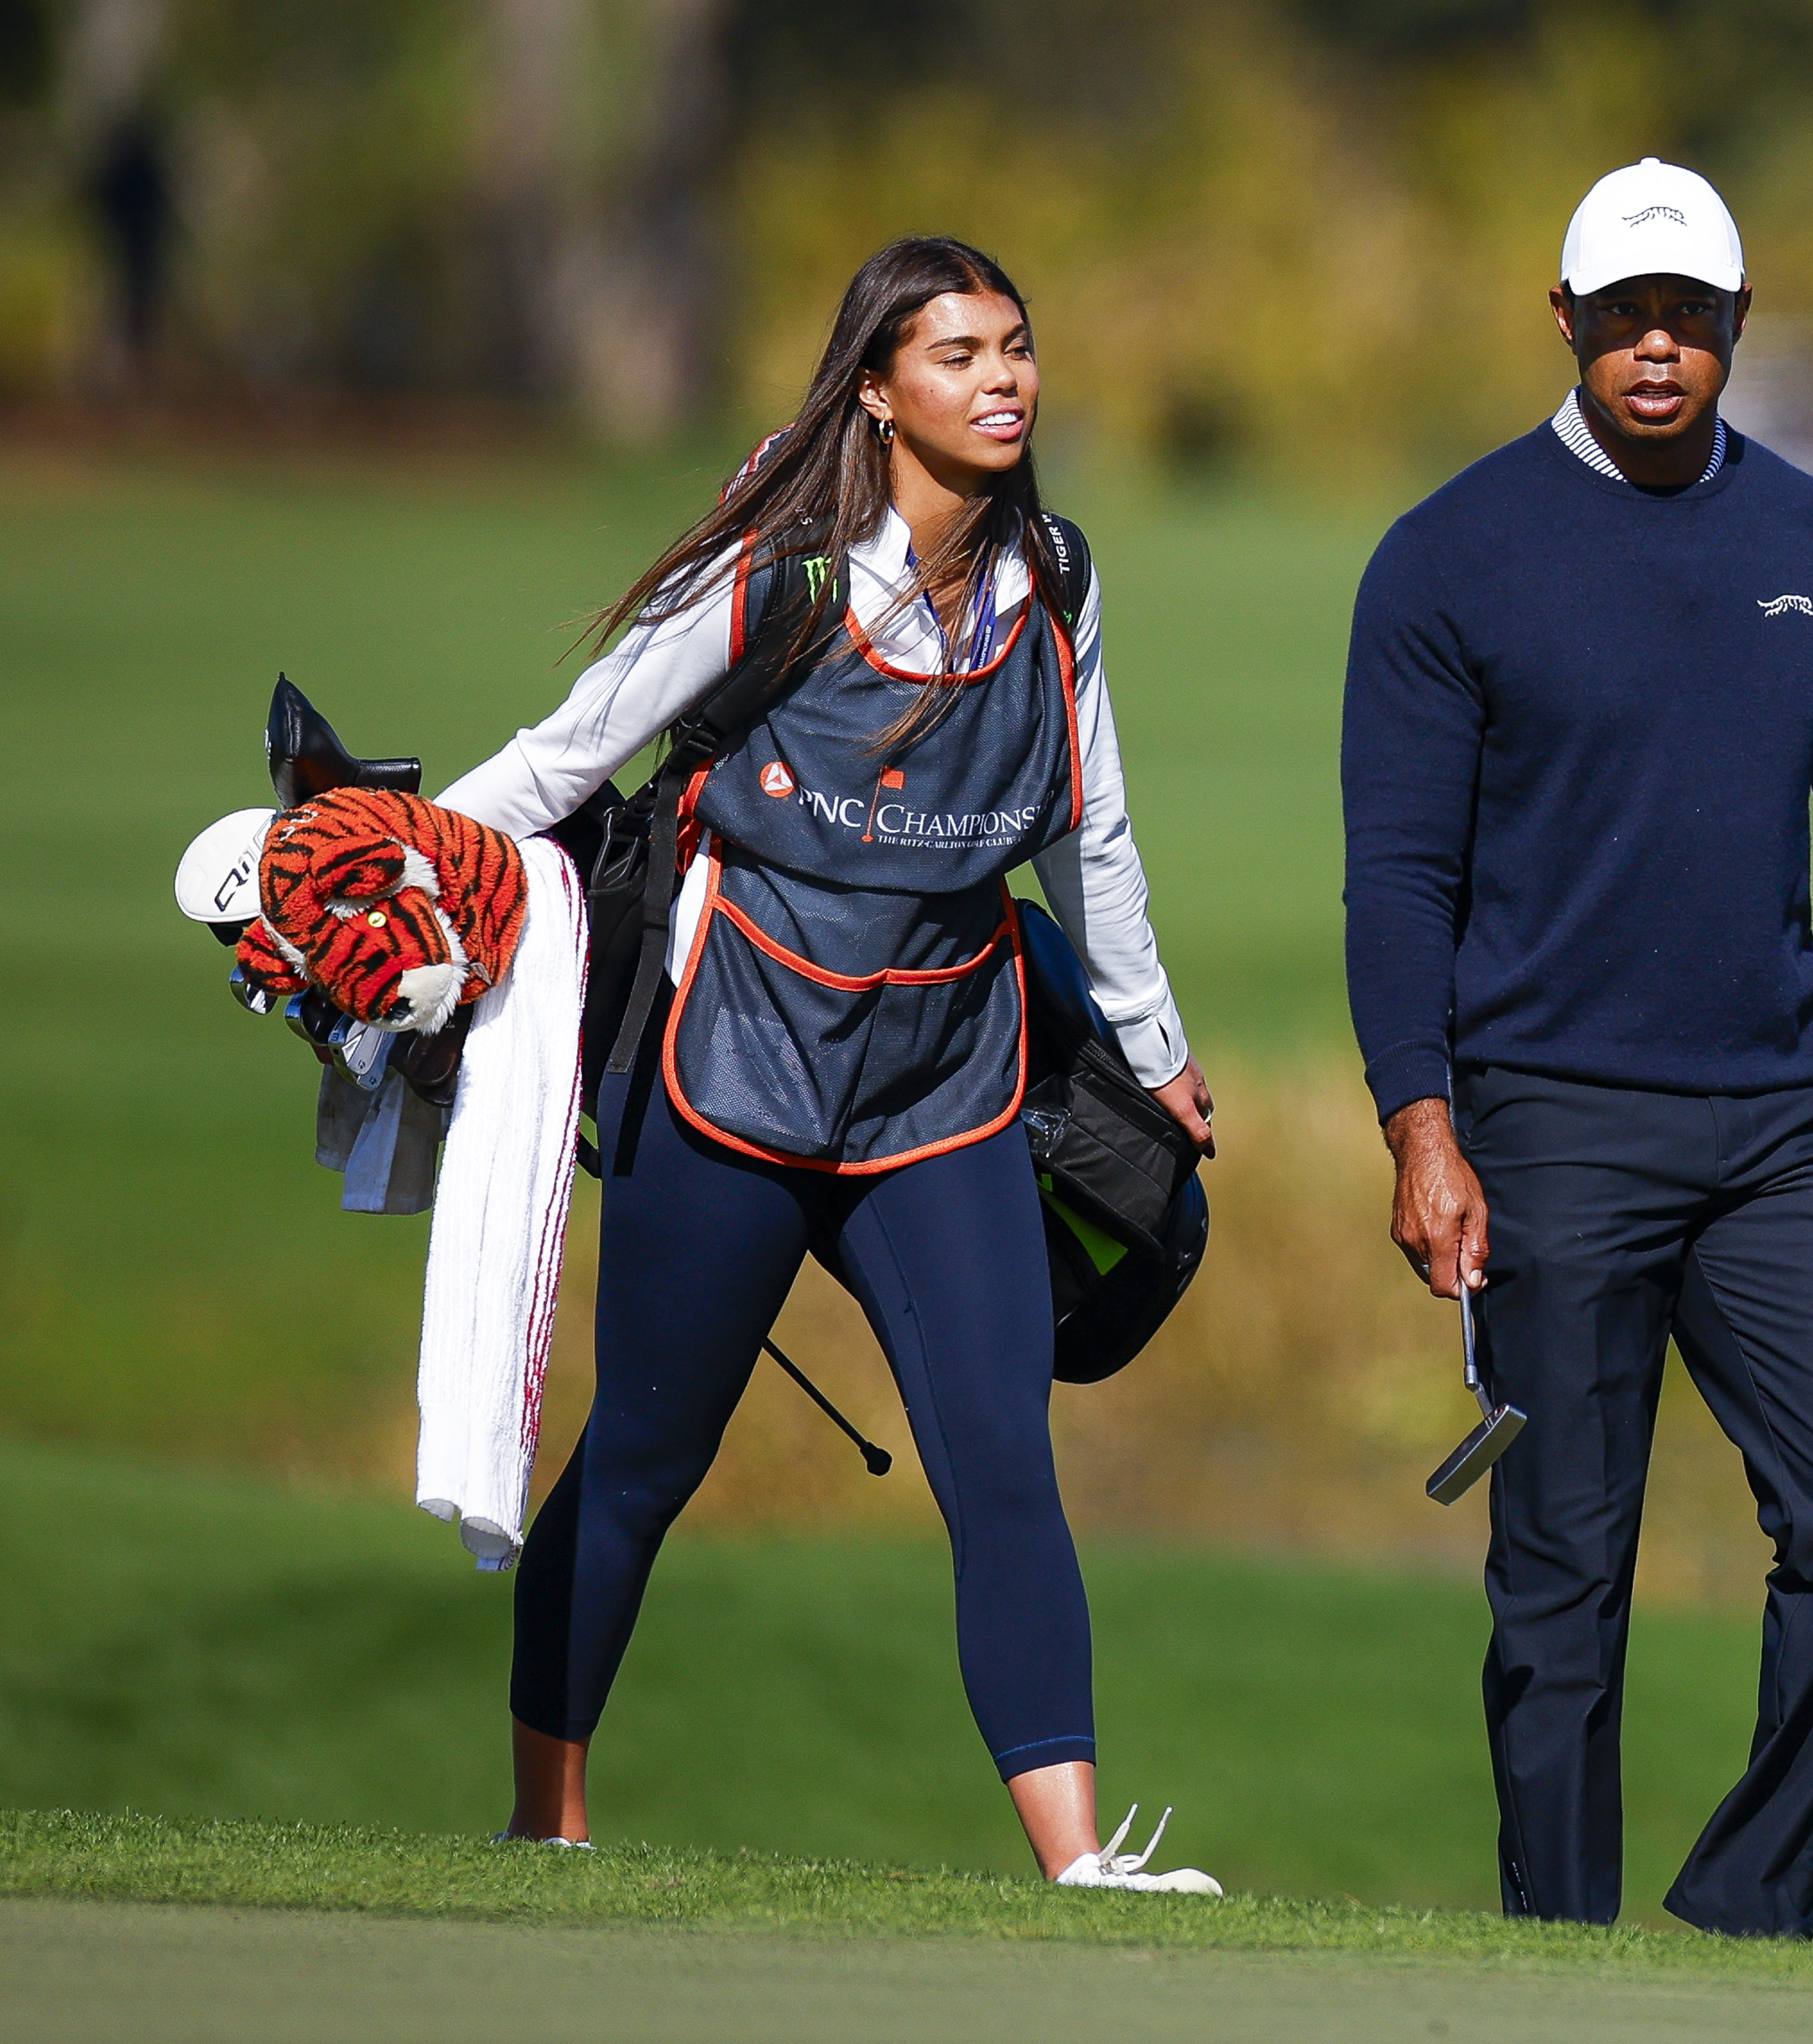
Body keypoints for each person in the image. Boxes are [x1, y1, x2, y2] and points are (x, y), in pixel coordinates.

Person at [437, 236, 1222, 1895]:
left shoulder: (1056, 580)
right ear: (878, 388)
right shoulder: (779, 570)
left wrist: (1157, 1052)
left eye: (1016, 344)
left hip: (948, 1081)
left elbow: (1094, 837)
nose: (1004, 378)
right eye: (957, 354)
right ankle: (544, 1821)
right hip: (734, 1066)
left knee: (1002, 1459)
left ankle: (1079, 1867)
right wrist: (409, 860)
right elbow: (571, 753)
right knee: (647, 1456)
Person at [1341, 160, 1813, 1940]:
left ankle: (1741, 1922)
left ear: (1737, 327)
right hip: (1548, 1122)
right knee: (1562, 1579)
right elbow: (1399, 875)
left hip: (1780, 1134)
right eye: (1623, 315)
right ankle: (1561, 1959)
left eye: (1688, 318)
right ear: (1561, 321)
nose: (1656, 347)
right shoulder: (1450, 557)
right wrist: (1423, 1123)